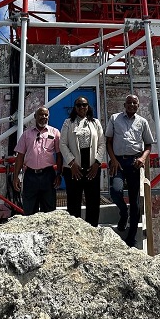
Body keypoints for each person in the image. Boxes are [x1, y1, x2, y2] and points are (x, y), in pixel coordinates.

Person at [105, 94, 154, 247]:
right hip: (118, 162)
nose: (132, 105)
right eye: (129, 103)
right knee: (115, 190)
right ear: (124, 105)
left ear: (138, 105)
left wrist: (143, 158)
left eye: (135, 103)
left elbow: (148, 145)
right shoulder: (114, 118)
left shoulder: (142, 122)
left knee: (135, 201)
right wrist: (113, 159)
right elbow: (109, 141)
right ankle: (123, 212)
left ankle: (131, 237)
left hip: (134, 163)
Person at [60, 96, 106, 227]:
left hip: (92, 167)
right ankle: (75, 232)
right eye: (79, 105)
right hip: (74, 169)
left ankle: (92, 230)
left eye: (84, 105)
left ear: (88, 106)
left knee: (93, 202)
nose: (82, 107)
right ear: (75, 108)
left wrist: (97, 163)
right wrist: (71, 163)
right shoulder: (68, 123)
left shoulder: (95, 122)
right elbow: (62, 144)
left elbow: (102, 144)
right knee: (73, 203)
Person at [12, 106, 62, 215]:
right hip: (30, 176)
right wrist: (16, 177)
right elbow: (20, 156)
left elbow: (59, 155)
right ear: (35, 116)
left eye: (46, 115)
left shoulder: (55, 133)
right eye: (41, 115)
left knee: (49, 212)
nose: (43, 117)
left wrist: (59, 174)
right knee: (29, 211)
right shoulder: (26, 134)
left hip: (48, 176)